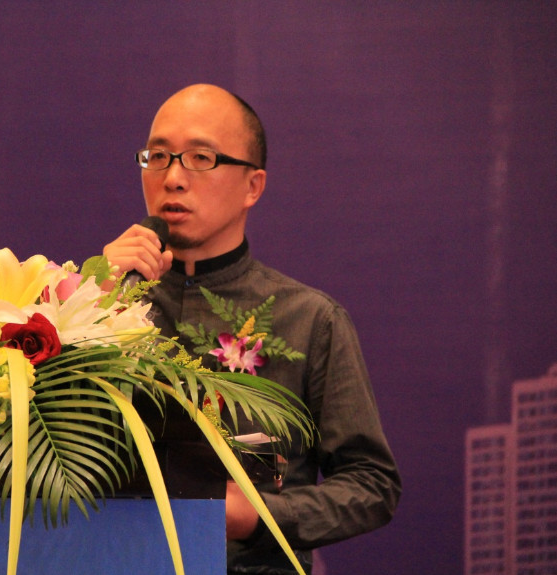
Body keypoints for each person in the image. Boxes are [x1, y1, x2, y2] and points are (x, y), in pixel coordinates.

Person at [103, 84, 401, 574]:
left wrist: (259, 516)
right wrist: (92, 296)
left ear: (252, 186)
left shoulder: (310, 320)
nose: (172, 178)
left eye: (200, 158)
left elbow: (372, 484)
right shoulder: (96, 303)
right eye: (157, 157)